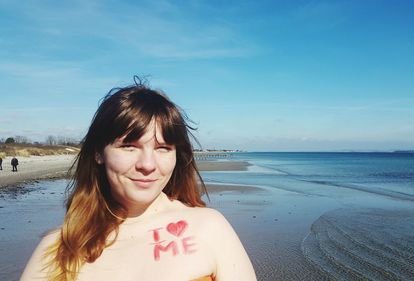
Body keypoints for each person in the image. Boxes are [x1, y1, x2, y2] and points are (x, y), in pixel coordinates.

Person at [21, 79, 256, 281]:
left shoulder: (209, 228)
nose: (147, 164)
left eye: (163, 148)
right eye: (129, 147)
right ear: (98, 153)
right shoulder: (58, 248)